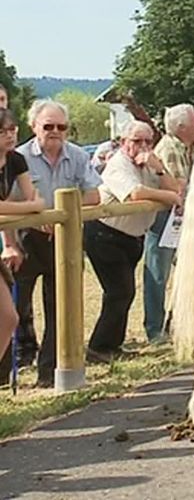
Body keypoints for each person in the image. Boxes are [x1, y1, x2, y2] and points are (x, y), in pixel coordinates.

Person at [5, 100, 101, 388]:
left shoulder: (78, 156)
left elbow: (94, 196)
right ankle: (4, 376)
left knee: (60, 308)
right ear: (34, 127)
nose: (56, 132)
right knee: (14, 310)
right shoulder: (17, 157)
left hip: (64, 239)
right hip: (24, 239)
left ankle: (49, 373)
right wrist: (11, 242)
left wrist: (62, 212)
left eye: (62, 127)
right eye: (48, 126)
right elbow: (6, 204)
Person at [85, 121, 181, 363]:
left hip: (133, 236)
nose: (143, 146)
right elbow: (134, 193)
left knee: (124, 293)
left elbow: (175, 188)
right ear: (123, 142)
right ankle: (98, 347)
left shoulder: (149, 163)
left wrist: (159, 169)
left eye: (148, 141)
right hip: (105, 234)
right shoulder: (118, 164)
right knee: (120, 291)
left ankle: (112, 345)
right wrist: (169, 197)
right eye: (136, 141)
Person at [142, 104, 194, 343]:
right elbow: (180, 186)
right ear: (181, 127)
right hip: (166, 218)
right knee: (158, 274)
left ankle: (176, 323)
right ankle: (155, 330)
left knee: (190, 271)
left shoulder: (192, 147)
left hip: (184, 216)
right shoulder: (171, 148)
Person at [0, 110, 46, 381]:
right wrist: (27, 208)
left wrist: (24, 208)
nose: (9, 136)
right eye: (3, 131)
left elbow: (37, 200)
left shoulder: (16, 160)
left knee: (9, 317)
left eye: (13, 130)